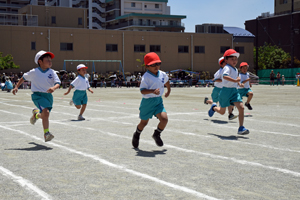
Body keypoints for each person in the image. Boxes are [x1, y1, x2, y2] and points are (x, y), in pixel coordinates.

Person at [12, 50, 61, 142]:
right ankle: (46, 133)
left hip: (48, 96)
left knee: (45, 115)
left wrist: (54, 88)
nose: (50, 61)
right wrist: (16, 87)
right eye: (47, 60)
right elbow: (23, 78)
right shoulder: (34, 72)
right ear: (40, 61)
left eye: (51, 60)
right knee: (46, 113)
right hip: (37, 95)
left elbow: (58, 83)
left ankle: (36, 115)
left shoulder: (52, 72)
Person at [132, 52, 171, 148]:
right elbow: (142, 91)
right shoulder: (146, 77)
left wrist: (168, 90)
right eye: (153, 64)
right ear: (147, 66)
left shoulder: (162, 74)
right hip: (147, 102)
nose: (156, 66)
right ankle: (137, 134)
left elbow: (166, 81)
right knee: (144, 123)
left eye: (158, 63)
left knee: (164, 119)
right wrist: (152, 91)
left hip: (158, 101)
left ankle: (157, 134)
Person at [208, 49, 249, 135]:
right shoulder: (227, 67)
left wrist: (239, 83)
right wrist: (235, 80)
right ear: (226, 60)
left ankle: (241, 128)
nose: (234, 61)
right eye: (232, 59)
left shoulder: (235, 69)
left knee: (241, 107)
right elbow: (225, 77)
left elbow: (235, 79)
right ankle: (213, 107)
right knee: (222, 112)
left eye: (236, 59)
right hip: (225, 91)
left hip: (234, 91)